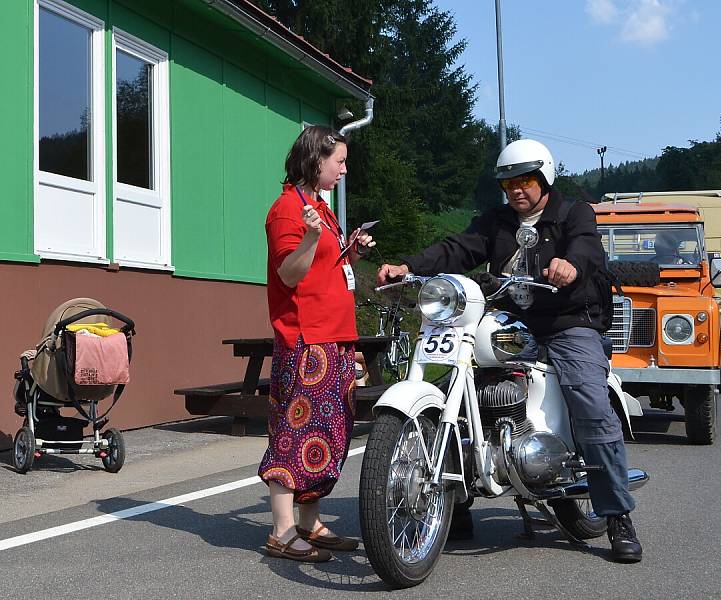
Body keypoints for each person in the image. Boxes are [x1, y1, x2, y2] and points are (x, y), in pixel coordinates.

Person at [376, 138, 643, 563]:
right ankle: (452, 503)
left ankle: (616, 515)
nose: (517, 190)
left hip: (568, 323)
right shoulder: (497, 222)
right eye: (509, 183)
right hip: (513, 322)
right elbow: (458, 248)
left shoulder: (573, 213)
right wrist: (410, 265)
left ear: (544, 178)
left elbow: (587, 247)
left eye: (525, 181)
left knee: (589, 399)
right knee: (457, 384)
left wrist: (570, 264)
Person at [261, 125, 375, 563]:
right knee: (296, 430)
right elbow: (289, 274)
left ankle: (308, 522)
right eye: (339, 161)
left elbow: (327, 266)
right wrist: (310, 238)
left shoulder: (320, 209)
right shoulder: (288, 211)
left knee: (327, 432)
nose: (344, 169)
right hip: (308, 338)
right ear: (315, 160)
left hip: (335, 335)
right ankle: (282, 530)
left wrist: (352, 250)